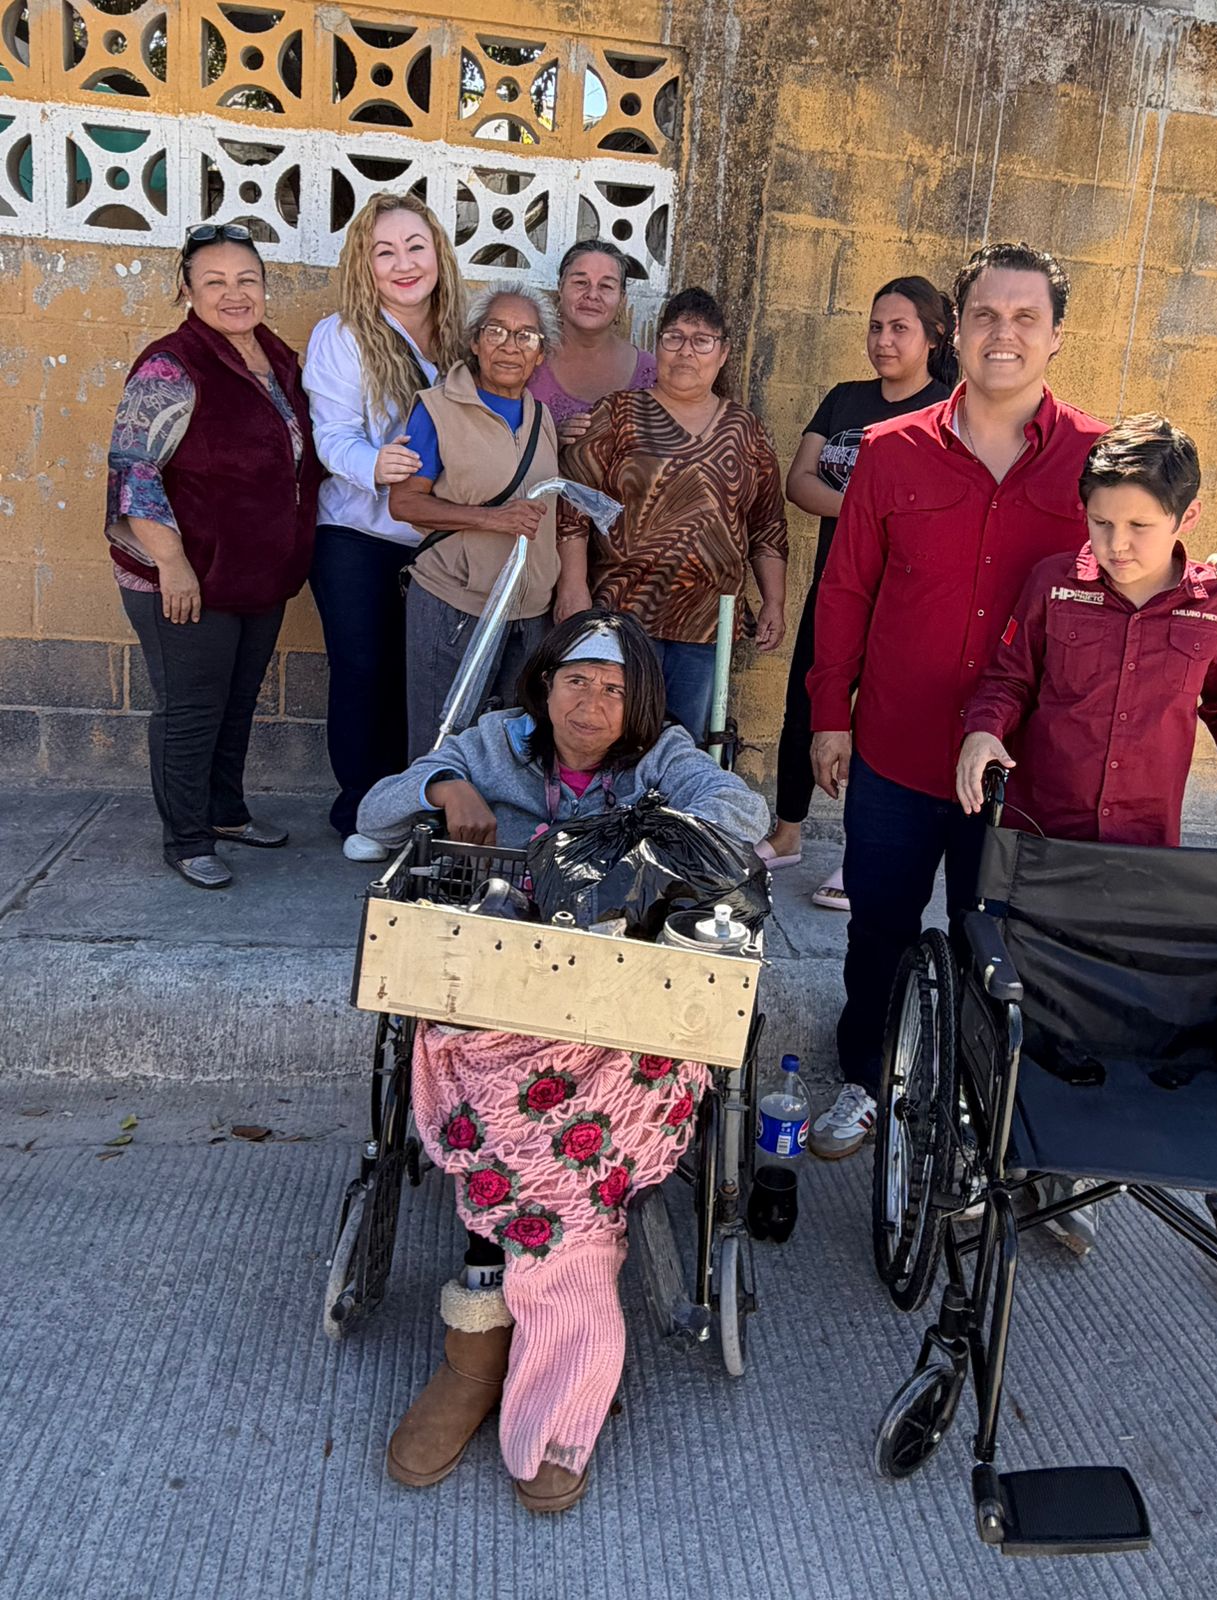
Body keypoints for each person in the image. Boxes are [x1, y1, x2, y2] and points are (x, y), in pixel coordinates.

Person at [805, 243, 1217, 1163]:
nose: (1003, 334)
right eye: (985, 315)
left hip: (1025, 774)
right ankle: (868, 1076)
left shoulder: (1098, 461)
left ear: (1057, 336)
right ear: (956, 331)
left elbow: (1153, 554)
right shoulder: (891, 452)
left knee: (1001, 944)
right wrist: (829, 715)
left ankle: (980, 1105)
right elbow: (846, 590)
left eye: (1025, 318)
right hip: (897, 747)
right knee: (880, 927)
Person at [354, 609, 768, 1512]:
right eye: (576, 680)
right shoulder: (495, 743)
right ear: (543, 685)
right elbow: (375, 810)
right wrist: (443, 788)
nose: (593, 703)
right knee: (484, 1075)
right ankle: (487, 1351)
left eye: (615, 688)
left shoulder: (660, 757)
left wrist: (647, 831)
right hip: (499, 1007)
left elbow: (745, 814)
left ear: (640, 703)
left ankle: (515, 1326)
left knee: (574, 1117)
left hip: (617, 1020)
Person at [956, 412, 1217, 845]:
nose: (1117, 544)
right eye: (1101, 522)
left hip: (1145, 841)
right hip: (1039, 832)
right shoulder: (1052, 583)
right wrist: (983, 730)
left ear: (1187, 516)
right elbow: (1010, 679)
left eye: (1140, 526)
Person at [105, 225, 323, 889]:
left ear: (265, 285)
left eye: (246, 279)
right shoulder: (171, 364)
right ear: (187, 290)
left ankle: (225, 813)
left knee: (236, 703)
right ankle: (187, 838)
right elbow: (135, 470)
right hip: (186, 572)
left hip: (256, 573)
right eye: (215, 281)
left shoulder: (277, 359)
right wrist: (172, 564)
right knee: (191, 709)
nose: (234, 293)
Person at [757, 276, 956, 912]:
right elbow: (799, 482)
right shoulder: (845, 399)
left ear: (934, 337)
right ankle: (787, 833)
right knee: (807, 707)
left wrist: (867, 514)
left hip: (903, 601)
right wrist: (869, 511)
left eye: (900, 328)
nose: (883, 340)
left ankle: (859, 855)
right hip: (836, 586)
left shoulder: (948, 411)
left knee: (876, 723)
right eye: (875, 327)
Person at [303, 193, 467, 860]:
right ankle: (362, 815)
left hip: (434, 543)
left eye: (415, 247)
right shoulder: (342, 335)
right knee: (364, 673)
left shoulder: (461, 338)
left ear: (438, 255)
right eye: (385, 251)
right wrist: (375, 463)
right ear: (364, 265)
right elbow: (331, 436)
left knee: (421, 681)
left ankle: (412, 810)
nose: (404, 263)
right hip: (357, 538)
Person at [558, 287, 788, 742]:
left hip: (707, 621)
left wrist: (774, 602)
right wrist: (572, 585)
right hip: (621, 613)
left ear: (723, 353)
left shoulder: (745, 430)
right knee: (610, 737)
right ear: (657, 345)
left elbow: (767, 524)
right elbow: (574, 505)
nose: (686, 352)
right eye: (674, 337)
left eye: (702, 341)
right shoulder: (618, 414)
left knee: (683, 745)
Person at [388, 283, 584, 758]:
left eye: (526, 336)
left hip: (528, 615)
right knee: (441, 744)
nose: (510, 345)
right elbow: (405, 504)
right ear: (475, 341)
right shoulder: (436, 409)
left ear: (540, 354)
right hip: (455, 606)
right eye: (496, 331)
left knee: (509, 751)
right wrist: (492, 519)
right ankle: (426, 811)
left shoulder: (541, 418)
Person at [526, 239, 657, 446]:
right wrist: (548, 440)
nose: (592, 295)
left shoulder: (650, 372)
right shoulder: (528, 359)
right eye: (580, 283)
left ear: (622, 299)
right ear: (560, 288)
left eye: (606, 286)